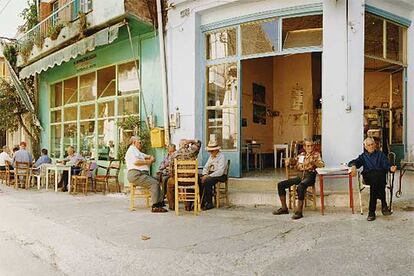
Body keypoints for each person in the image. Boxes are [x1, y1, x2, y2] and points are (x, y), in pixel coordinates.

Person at [273, 139, 325, 219]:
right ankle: (284, 208)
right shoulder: (301, 155)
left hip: (310, 176)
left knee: (301, 186)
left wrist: (314, 162)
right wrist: (290, 161)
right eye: (308, 146)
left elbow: (322, 165)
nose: (310, 147)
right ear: (304, 147)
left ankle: (299, 212)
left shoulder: (316, 154)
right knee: (281, 185)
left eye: (311, 145)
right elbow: (294, 163)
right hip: (300, 176)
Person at [348, 137, 397, 221]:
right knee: (376, 177)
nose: (371, 146)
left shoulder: (381, 154)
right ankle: (384, 205)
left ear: (375, 145)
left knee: (377, 178)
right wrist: (353, 166)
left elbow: (386, 164)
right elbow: (353, 162)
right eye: (368, 145)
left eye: (372, 144)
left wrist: (390, 168)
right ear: (365, 147)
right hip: (369, 177)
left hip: (379, 178)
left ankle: (371, 212)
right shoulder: (363, 156)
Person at [126, 136, 167, 213]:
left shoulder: (137, 151)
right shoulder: (131, 150)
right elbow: (136, 162)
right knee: (154, 183)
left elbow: (149, 156)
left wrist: (151, 158)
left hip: (141, 174)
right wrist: (148, 162)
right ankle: (155, 206)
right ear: (134, 142)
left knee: (157, 179)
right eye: (139, 142)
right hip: (136, 174)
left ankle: (160, 202)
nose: (141, 144)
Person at [166, 139, 201, 210]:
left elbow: (170, 170)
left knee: (169, 183)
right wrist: (191, 141)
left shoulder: (174, 154)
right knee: (196, 180)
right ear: (188, 145)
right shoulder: (193, 152)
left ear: (179, 146)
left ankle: (172, 206)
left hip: (178, 181)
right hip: (191, 181)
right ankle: (188, 205)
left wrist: (173, 175)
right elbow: (198, 143)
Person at [199, 140, 228, 210]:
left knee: (207, 181)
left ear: (217, 150)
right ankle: (201, 202)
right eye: (210, 151)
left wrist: (208, 176)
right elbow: (206, 167)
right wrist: (205, 174)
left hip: (220, 175)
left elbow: (220, 171)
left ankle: (209, 203)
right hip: (211, 174)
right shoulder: (211, 156)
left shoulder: (222, 157)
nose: (210, 152)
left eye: (212, 151)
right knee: (198, 178)